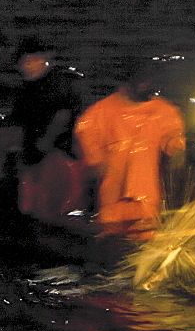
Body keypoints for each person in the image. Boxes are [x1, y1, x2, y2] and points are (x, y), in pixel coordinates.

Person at [73, 60, 186, 240]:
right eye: (141, 81)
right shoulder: (100, 112)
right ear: (126, 83)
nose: (146, 85)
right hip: (112, 198)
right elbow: (87, 141)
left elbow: (172, 139)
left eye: (148, 80)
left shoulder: (163, 111)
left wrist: (176, 151)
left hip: (146, 199)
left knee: (144, 241)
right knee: (113, 242)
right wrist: (97, 164)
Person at [7, 37, 87, 225]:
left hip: (58, 157)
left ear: (45, 60)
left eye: (32, 61)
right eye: (24, 62)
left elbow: (63, 118)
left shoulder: (56, 86)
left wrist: (43, 145)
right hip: (37, 157)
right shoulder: (27, 90)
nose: (28, 67)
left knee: (53, 206)